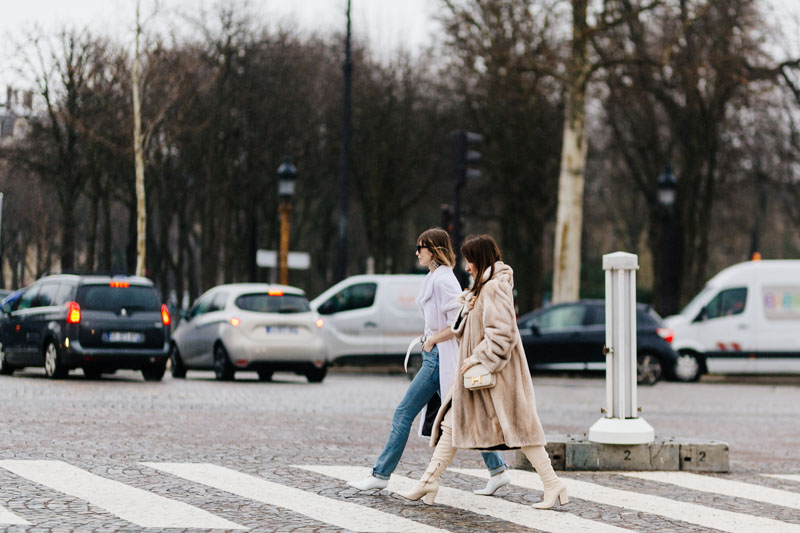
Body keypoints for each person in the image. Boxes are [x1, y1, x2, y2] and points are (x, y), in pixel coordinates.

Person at [397, 234, 568, 509]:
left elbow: (502, 336)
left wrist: (478, 358)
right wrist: (468, 305)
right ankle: (429, 480)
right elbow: (460, 328)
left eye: (470, 260)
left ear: (480, 259)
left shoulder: (494, 288)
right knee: (452, 424)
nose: (466, 266)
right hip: (480, 378)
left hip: (497, 379)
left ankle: (552, 483)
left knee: (522, 431)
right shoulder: (481, 289)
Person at [348, 228, 511, 496]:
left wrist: (433, 339)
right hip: (435, 354)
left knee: (404, 413)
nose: (417, 252)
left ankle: (380, 474)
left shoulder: (444, 280)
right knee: (463, 413)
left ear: (433, 250)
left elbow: (458, 323)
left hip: (439, 358)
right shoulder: (434, 277)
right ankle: (498, 470)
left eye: (420, 247)